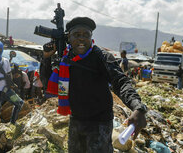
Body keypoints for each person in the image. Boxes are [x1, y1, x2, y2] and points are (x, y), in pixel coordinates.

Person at [43, 17, 147, 153]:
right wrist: (46, 57)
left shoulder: (102, 57)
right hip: (76, 121)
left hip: (100, 123)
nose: (81, 39)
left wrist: (137, 107)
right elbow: (46, 83)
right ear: (69, 37)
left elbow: (121, 82)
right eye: (77, 35)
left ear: (91, 37)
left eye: (86, 35)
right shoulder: (65, 59)